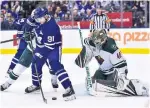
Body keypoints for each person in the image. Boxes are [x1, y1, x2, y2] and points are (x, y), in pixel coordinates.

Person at [75, 29, 149, 96]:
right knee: (90, 83)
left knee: (97, 85)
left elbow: (122, 63)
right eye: (95, 41)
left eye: (99, 41)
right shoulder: (92, 42)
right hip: (102, 70)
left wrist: (123, 76)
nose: (97, 44)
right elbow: (87, 41)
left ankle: (133, 85)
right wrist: (86, 45)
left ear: (104, 39)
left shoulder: (111, 47)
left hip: (113, 72)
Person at [23, 7, 76, 101]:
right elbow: (27, 28)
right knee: (35, 63)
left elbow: (49, 47)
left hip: (53, 48)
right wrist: (29, 28)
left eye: (39, 19)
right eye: (36, 19)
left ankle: (69, 88)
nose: (38, 21)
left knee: (55, 65)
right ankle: (36, 85)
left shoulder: (51, 26)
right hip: (42, 45)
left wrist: (38, 53)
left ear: (46, 16)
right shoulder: (40, 18)